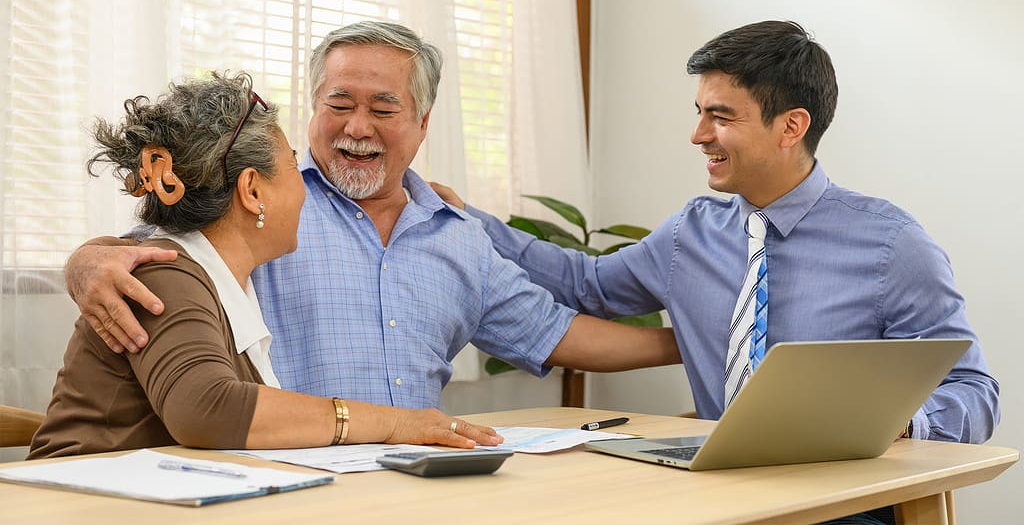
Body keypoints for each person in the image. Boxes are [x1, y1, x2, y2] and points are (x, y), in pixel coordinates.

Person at [435, 20, 1000, 523]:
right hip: (717, 490)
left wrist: (895, 420)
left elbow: (975, 394)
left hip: (843, 503)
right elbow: (587, 285)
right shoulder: (692, 232)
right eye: (700, 113)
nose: (698, 135)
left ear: (791, 126)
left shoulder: (891, 244)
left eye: (720, 116)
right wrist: (465, 219)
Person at [62, 21, 682, 411]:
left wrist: (696, 344)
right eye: (339, 103)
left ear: (423, 122)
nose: (357, 128)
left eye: (383, 108)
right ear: (312, 107)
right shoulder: (261, 203)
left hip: (418, 486)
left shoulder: (459, 236)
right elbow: (155, 245)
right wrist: (86, 259)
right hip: (283, 481)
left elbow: (555, 331)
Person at [30, 72, 505, 459]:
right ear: (253, 191)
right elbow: (206, 408)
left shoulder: (220, 279)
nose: (305, 189)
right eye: (294, 166)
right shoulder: (165, 276)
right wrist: (398, 422)